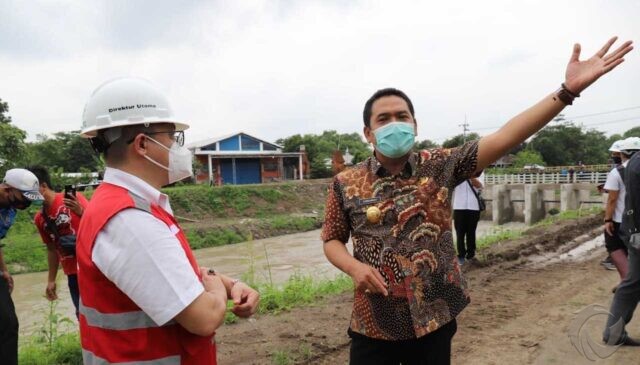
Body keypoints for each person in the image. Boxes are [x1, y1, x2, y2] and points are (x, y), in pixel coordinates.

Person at [321, 37, 632, 364]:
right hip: (373, 322)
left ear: (415, 125)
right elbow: (332, 239)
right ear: (368, 133)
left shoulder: (442, 164)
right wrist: (354, 267)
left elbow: (507, 136)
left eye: (402, 116)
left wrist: (566, 92)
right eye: (383, 119)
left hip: (434, 317)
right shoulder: (346, 182)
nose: (394, 124)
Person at [77, 77, 260, 364]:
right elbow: (204, 318)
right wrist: (214, 284)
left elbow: (166, 273)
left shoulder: (127, 205)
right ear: (142, 144)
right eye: (173, 138)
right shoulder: (130, 220)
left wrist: (228, 282)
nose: (178, 149)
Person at [29, 166, 89, 318]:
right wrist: (51, 280)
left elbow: (97, 225)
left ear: (43, 186)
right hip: (72, 273)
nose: (27, 197)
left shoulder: (73, 199)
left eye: (29, 192)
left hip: (91, 267)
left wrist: (81, 212)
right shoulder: (40, 218)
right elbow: (51, 249)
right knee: (81, 315)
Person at [0, 168, 44, 365]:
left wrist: (5, 271)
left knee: (8, 324)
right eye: (23, 197)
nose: (25, 203)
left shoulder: (10, 211)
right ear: (7, 189)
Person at [603, 136, 640, 346]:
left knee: (632, 283)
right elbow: (613, 199)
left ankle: (613, 333)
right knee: (632, 283)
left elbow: (613, 199)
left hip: (630, 228)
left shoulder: (626, 168)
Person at [601, 141, 627, 276]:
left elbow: (612, 199)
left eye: (616, 153)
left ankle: (627, 282)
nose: (614, 156)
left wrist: (608, 219)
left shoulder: (617, 172)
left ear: (623, 153)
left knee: (614, 245)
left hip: (621, 219)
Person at [453, 170, 484, 264]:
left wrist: (470, 175)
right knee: (460, 232)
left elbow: (480, 186)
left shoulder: (480, 170)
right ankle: (461, 255)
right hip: (459, 206)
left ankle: (471, 254)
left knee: (471, 231)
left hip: (473, 206)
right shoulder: (456, 171)